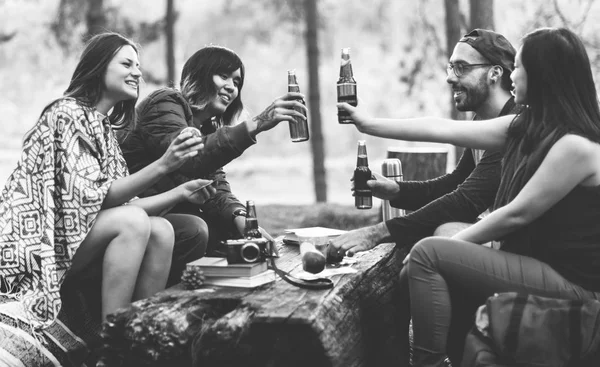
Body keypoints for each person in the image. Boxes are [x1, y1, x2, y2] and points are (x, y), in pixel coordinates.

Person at [339, 27, 600, 367]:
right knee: (437, 247)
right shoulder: (527, 126)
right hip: (541, 266)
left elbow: (515, 215)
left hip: (572, 284)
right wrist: (368, 125)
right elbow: (442, 128)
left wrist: (456, 245)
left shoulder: (576, 146)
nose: (513, 74)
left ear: (543, 74)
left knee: (429, 253)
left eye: (519, 67)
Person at [0, 32, 215, 329]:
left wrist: (180, 193)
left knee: (162, 230)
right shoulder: (66, 114)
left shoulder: (102, 128)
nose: (137, 72)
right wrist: (165, 164)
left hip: (76, 241)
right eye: (127, 64)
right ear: (100, 66)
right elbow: (95, 200)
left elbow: (126, 202)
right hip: (38, 251)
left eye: (138, 66)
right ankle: (111, 343)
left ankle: (138, 335)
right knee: (133, 222)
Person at [330, 28, 519, 365]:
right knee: (418, 257)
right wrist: (397, 191)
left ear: (495, 73)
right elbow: (455, 184)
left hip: (524, 254)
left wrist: (376, 233)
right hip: (501, 245)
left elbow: (467, 201)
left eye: (461, 68)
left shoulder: (511, 124)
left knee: (435, 244)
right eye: (450, 67)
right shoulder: (482, 121)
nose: (450, 77)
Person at [120, 45, 307, 264]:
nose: (231, 87)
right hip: (137, 211)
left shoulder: (207, 130)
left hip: (171, 213)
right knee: (197, 229)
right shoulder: (164, 102)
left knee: (235, 235)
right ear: (198, 76)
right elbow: (191, 158)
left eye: (236, 82)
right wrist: (257, 123)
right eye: (224, 76)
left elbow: (215, 188)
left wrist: (241, 217)